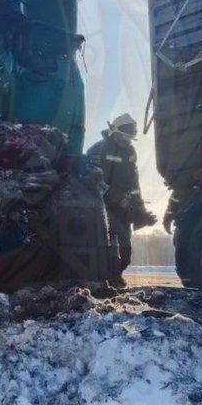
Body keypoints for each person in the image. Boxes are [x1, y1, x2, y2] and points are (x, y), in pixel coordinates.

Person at [86, 114, 157, 283]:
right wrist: (117, 198)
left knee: (125, 253)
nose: (127, 141)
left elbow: (134, 183)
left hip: (123, 210)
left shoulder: (130, 152)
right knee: (105, 248)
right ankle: (108, 280)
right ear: (114, 132)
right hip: (102, 209)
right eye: (125, 137)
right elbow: (93, 181)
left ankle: (115, 275)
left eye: (130, 138)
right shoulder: (97, 150)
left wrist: (140, 208)